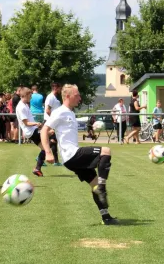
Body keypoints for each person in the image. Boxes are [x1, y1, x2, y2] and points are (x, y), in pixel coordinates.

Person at [41, 84, 118, 225]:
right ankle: (102, 185)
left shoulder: (70, 112)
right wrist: (48, 152)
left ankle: (105, 217)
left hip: (71, 157)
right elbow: (44, 129)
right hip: (72, 155)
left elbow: (60, 131)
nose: (80, 98)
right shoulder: (60, 111)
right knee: (106, 151)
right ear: (68, 96)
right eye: (77, 95)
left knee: (94, 184)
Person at [16, 87, 46, 177]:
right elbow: (26, 123)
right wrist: (36, 123)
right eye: (30, 96)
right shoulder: (21, 107)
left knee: (45, 148)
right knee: (50, 138)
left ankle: (37, 169)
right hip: (31, 131)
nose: (31, 98)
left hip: (33, 130)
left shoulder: (25, 104)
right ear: (24, 95)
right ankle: (38, 167)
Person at [44, 82, 63, 166]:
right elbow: (47, 110)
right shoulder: (50, 97)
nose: (61, 90)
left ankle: (56, 161)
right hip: (50, 122)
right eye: (60, 88)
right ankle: (42, 155)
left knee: (54, 141)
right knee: (53, 140)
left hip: (53, 122)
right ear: (56, 88)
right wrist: (53, 120)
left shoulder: (54, 98)